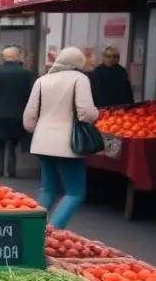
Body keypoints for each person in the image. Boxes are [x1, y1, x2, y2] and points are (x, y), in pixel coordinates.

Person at [23, 46, 100, 229]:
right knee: (75, 193)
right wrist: (98, 115)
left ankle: (33, 229)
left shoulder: (42, 81)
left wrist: (41, 131)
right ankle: (53, 232)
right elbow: (86, 113)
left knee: (48, 190)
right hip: (68, 145)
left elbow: (29, 118)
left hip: (42, 143)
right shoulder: (80, 79)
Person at [0, 46, 37, 177]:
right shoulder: (27, 74)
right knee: (12, 145)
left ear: (4, 57)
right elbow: (33, 95)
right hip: (18, 116)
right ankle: (11, 171)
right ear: (18, 57)